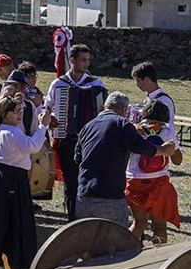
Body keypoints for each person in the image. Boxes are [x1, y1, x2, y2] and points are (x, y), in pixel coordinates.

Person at [75, 91, 175, 226]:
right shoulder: (122, 124)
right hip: (111, 195)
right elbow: (141, 146)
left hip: (84, 194)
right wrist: (163, 150)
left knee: (86, 241)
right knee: (118, 241)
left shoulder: (87, 126)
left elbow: (77, 158)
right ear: (124, 109)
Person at [0, 95, 52, 269]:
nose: (20, 114)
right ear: (5, 114)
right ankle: (5, 263)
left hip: (8, 177)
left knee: (6, 220)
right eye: (16, 111)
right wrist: (43, 125)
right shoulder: (10, 132)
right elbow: (34, 146)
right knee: (9, 220)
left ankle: (2, 263)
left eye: (21, 110)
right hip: (10, 179)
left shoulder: (7, 130)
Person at [44, 44, 107, 221]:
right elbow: (47, 107)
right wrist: (52, 118)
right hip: (67, 140)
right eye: (83, 60)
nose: (86, 63)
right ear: (72, 60)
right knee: (71, 184)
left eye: (88, 60)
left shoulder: (96, 84)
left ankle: (87, 218)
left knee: (87, 183)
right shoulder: (59, 84)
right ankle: (72, 220)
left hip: (89, 143)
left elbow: (104, 112)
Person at [126, 100, 183, 243]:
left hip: (135, 180)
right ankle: (157, 258)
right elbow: (177, 160)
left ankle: (123, 252)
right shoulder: (167, 131)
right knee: (159, 226)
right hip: (159, 181)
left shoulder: (134, 130)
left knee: (139, 224)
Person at [131, 62, 175, 132]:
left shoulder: (164, 100)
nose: (137, 84)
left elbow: (161, 126)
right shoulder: (148, 98)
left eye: (138, 81)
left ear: (147, 80)